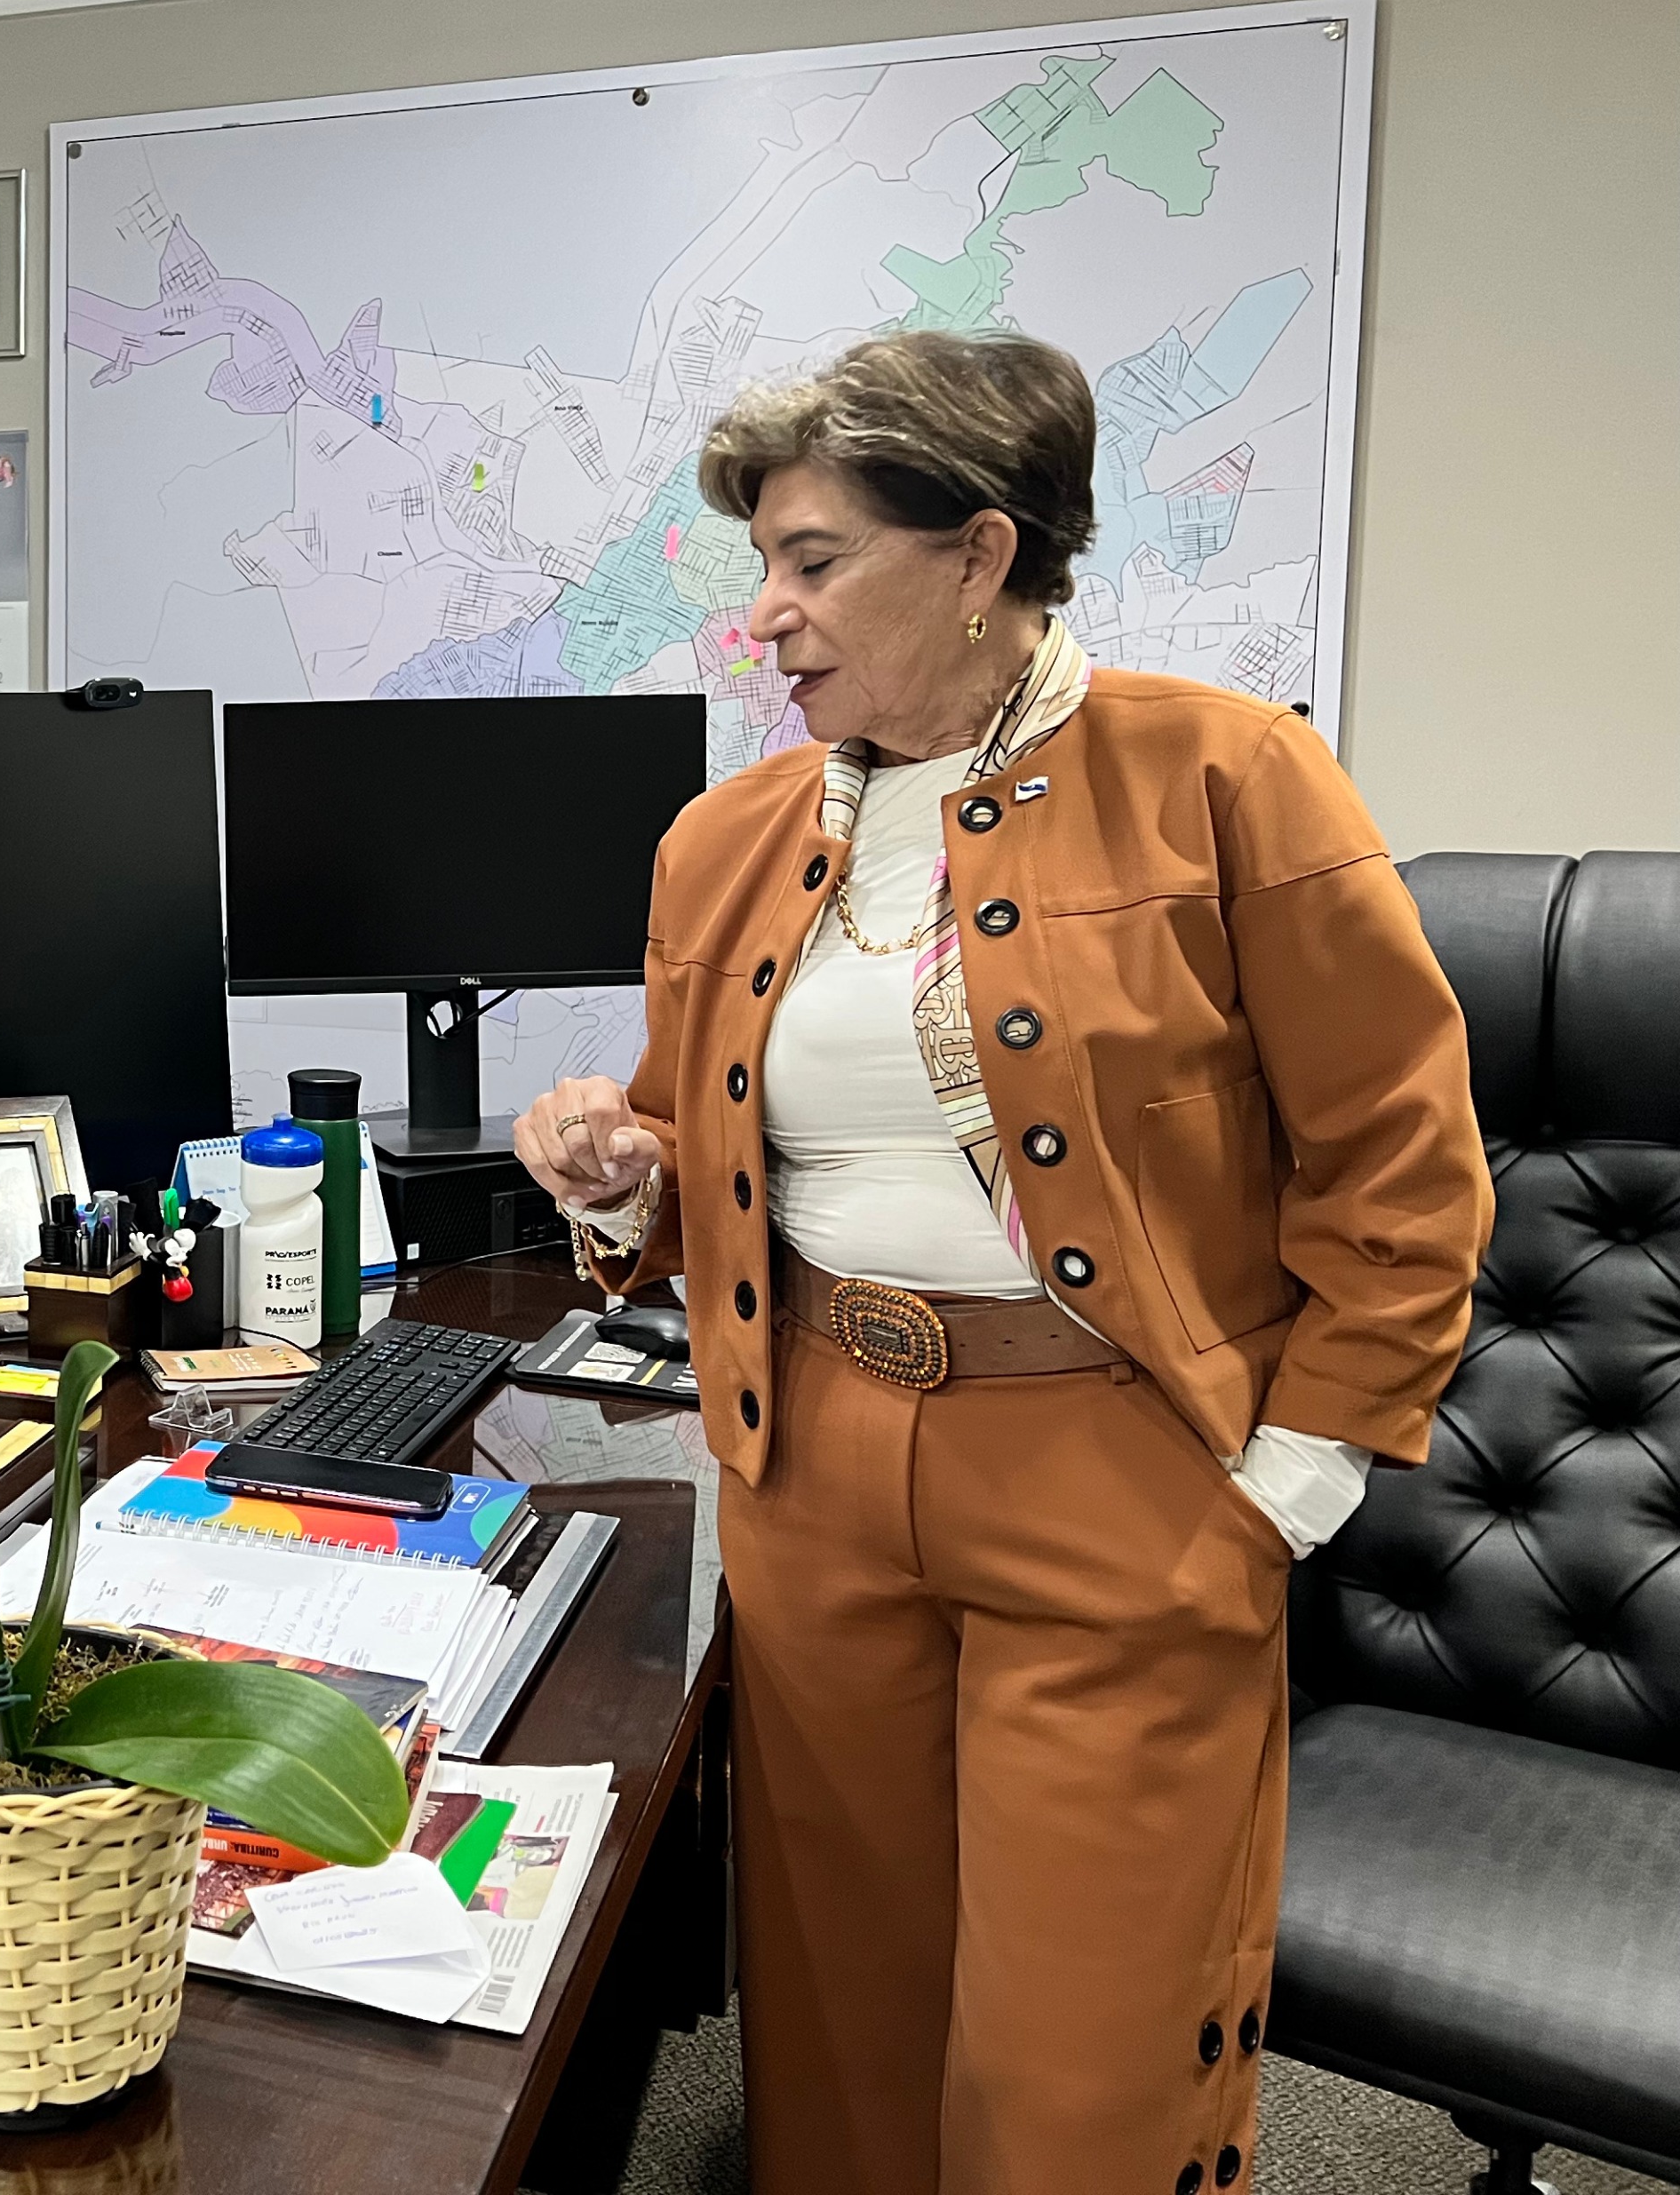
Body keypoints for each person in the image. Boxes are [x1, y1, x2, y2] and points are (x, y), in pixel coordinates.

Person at [514, 330, 1489, 2195]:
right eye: (763, 567)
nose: (767, 615)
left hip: (1118, 1473)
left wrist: (1285, 1482)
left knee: (1078, 2062)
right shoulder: (722, 842)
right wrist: (620, 1179)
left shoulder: (1227, 776)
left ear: (977, 553)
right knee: (844, 2014)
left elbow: (1402, 1159)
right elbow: (701, 1163)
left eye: (811, 560)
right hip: (810, 1470)